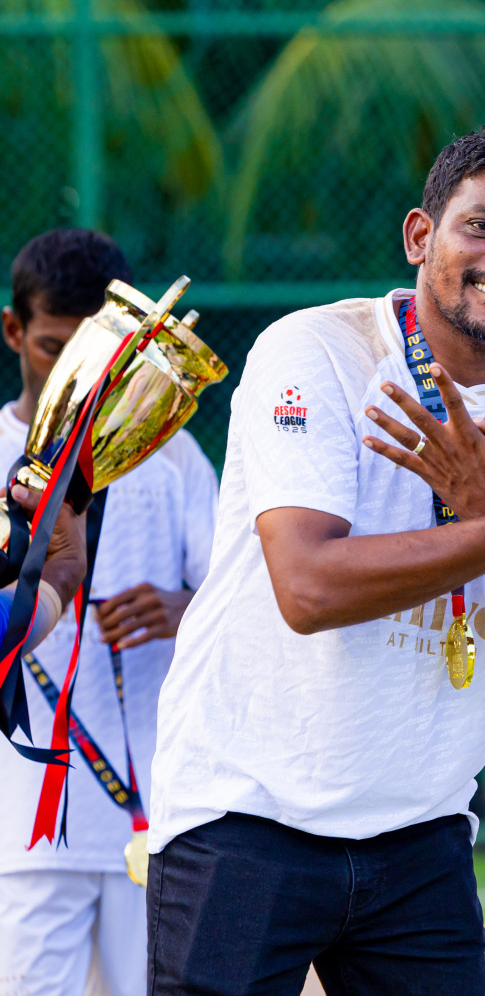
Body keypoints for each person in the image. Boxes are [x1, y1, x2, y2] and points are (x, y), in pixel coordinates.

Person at [145, 124, 485, 995]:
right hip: (244, 818)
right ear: (420, 236)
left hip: (422, 835)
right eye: (483, 227)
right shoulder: (317, 351)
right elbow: (308, 587)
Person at [0, 227, 216, 996]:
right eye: (55, 348)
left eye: (94, 352)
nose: (78, 375)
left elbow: (243, 599)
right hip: (24, 815)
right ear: (14, 331)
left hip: (152, 811)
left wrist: (180, 604)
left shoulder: (173, 455)